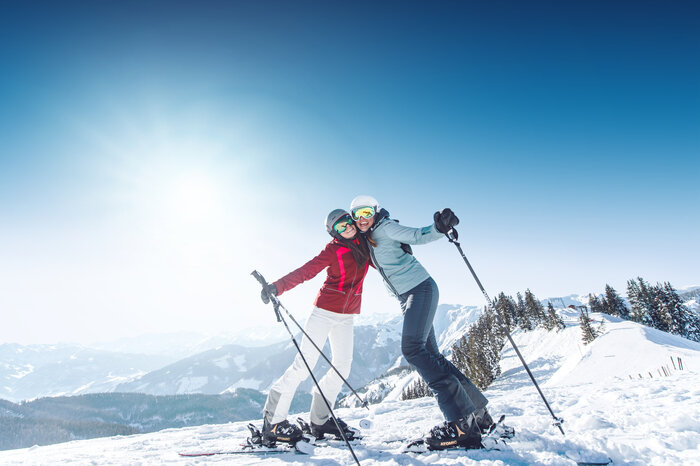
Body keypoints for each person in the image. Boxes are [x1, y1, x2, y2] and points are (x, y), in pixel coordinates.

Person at [350, 195, 494, 450]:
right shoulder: (368, 238)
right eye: (357, 214)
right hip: (409, 296)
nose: (362, 218)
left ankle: (461, 424)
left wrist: (439, 228)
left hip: (420, 289)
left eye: (366, 212)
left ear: (374, 211)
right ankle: (479, 417)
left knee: (413, 349)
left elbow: (416, 235)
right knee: (431, 355)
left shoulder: (385, 227)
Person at [258, 209, 371, 447]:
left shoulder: (364, 242)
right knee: (304, 366)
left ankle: (320, 419)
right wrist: (277, 287)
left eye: (347, 223)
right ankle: (273, 422)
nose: (347, 228)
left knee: (343, 366)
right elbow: (306, 271)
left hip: (347, 315)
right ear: (334, 233)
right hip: (324, 312)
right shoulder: (333, 250)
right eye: (340, 227)